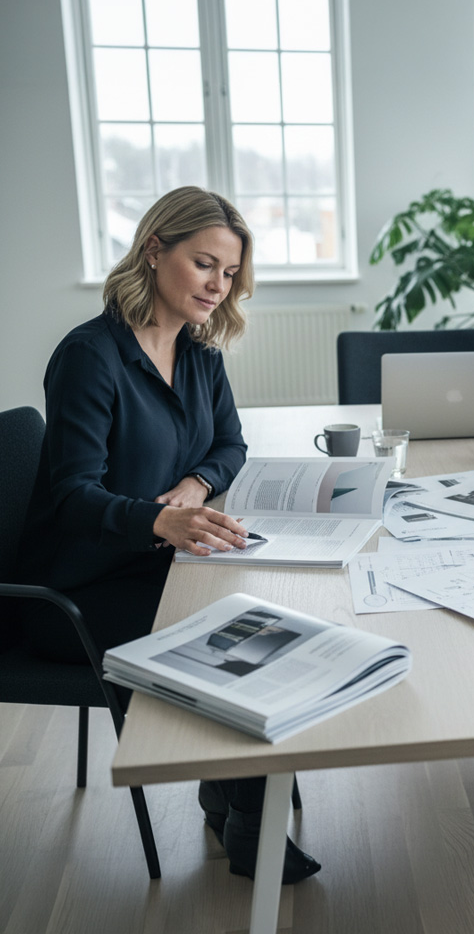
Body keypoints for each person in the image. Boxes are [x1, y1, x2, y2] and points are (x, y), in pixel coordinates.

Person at [16, 186, 320, 885]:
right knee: (232, 634)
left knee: (274, 607)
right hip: (75, 591)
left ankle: (234, 792)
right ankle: (245, 815)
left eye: (229, 273)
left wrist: (196, 486)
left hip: (161, 561)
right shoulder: (90, 357)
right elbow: (71, 495)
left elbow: (231, 445)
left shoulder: (201, 353)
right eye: (204, 264)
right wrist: (157, 519)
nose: (218, 286)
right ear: (155, 251)